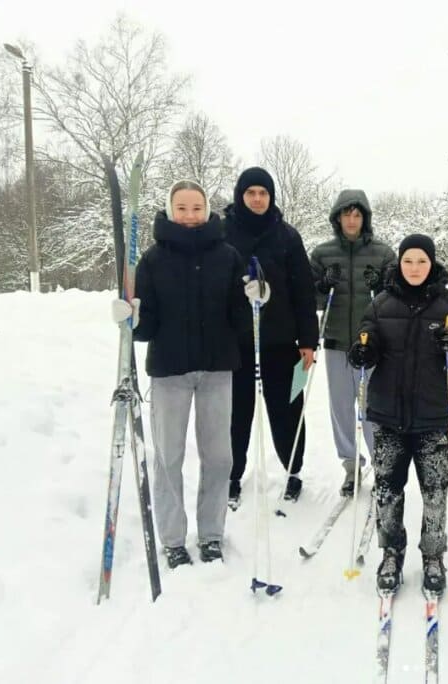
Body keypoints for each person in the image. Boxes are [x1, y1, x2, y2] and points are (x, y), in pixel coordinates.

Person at [110, 180, 253, 568]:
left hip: (217, 369)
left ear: (207, 210)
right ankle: (173, 539)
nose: (190, 215)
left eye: (196, 208)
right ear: (171, 210)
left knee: (219, 457)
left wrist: (254, 301)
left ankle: (211, 534)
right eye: (182, 208)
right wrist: (130, 318)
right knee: (169, 457)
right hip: (170, 371)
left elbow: (241, 321)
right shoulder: (153, 260)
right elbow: (146, 328)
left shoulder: (228, 256)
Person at [348, 234, 448, 596]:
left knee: (435, 491)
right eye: (408, 261)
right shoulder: (381, 303)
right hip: (388, 414)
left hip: (433, 415)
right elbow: (366, 339)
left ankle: (434, 554)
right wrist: (363, 352)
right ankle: (391, 551)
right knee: (388, 490)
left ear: (432, 263)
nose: (415, 268)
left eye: (422, 261)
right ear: (399, 263)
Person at [222, 167, 318, 507]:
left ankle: (294, 469)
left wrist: (308, 341)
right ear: (241, 195)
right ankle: (231, 475)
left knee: (288, 409)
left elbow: (304, 291)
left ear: (271, 196)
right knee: (236, 413)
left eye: (263, 193)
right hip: (236, 344)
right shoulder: (223, 233)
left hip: (281, 342)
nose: (257, 199)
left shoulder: (287, 236)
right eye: (251, 193)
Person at [309, 190, 395, 496]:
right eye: (346, 214)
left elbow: (396, 298)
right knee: (341, 408)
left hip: (372, 344)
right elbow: (311, 298)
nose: (352, 220)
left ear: (365, 218)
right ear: (337, 217)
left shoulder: (383, 253)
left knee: (373, 407)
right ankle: (350, 465)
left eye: (357, 215)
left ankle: (381, 465)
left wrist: (382, 285)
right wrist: (323, 285)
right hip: (336, 341)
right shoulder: (322, 253)